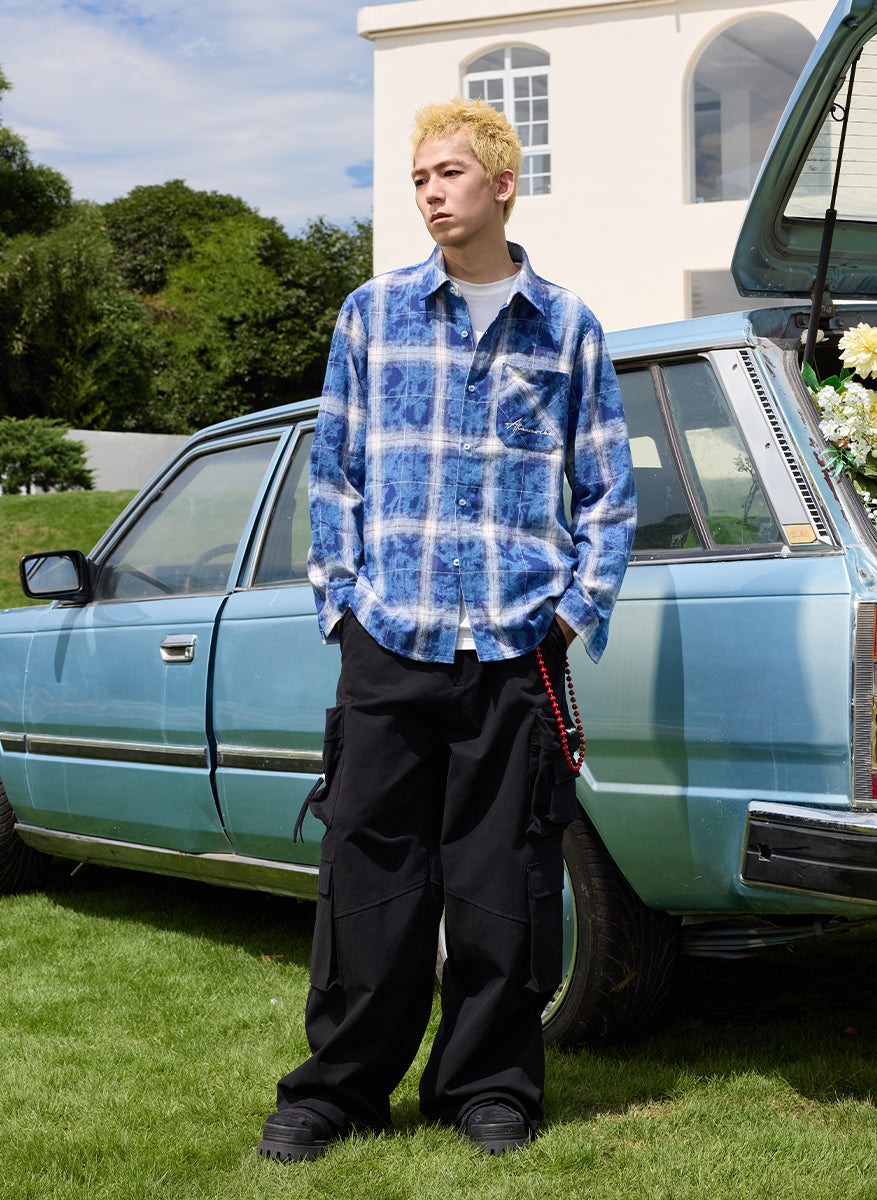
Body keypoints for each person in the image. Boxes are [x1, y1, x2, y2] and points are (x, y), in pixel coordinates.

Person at [257, 97, 635, 1162]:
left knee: (503, 881)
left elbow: (609, 490)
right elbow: (332, 473)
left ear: (503, 184)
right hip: (390, 643)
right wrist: (343, 607)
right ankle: (337, 1092)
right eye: (420, 176)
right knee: (368, 876)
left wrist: (571, 616)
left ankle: (488, 1087)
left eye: (450, 173)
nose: (430, 192)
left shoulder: (568, 326)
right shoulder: (371, 314)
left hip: (516, 653)